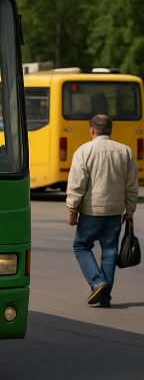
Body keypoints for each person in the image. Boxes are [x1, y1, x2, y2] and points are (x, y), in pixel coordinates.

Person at [67, 114, 138, 307]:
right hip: (115, 212)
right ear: (110, 130)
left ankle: (97, 282)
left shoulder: (84, 151)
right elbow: (132, 185)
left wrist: (72, 208)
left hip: (91, 212)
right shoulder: (126, 152)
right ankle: (105, 298)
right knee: (110, 250)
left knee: (81, 246)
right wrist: (130, 210)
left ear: (92, 130)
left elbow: (77, 184)